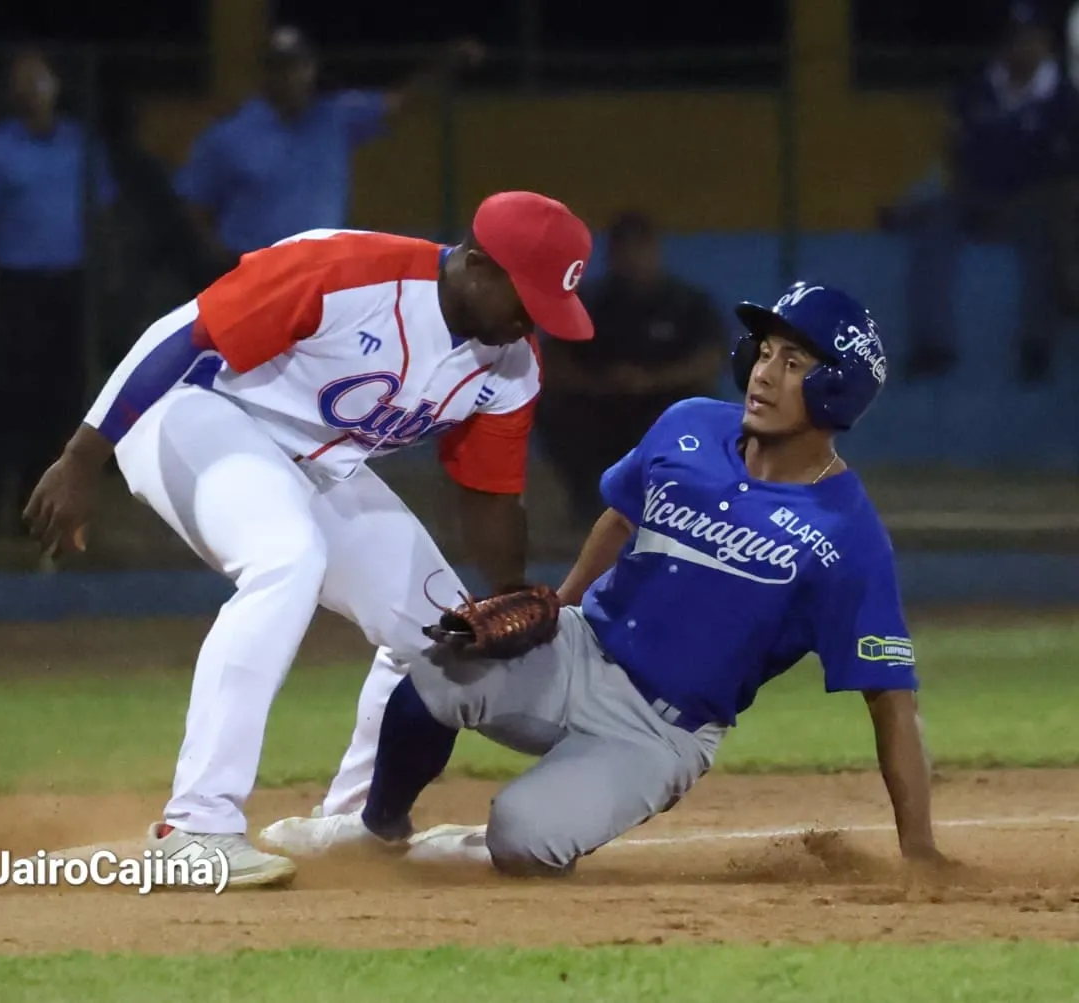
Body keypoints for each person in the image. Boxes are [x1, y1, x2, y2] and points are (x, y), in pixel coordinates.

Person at [261, 282, 952, 879]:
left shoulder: (846, 534)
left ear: (837, 387)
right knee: (434, 671)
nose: (764, 374)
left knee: (524, 837)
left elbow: (891, 701)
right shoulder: (689, 426)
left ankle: (475, 848)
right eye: (765, 352)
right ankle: (376, 829)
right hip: (582, 648)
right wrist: (558, 609)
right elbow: (621, 517)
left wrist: (918, 849)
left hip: (659, 732)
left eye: (793, 362)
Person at [22, 190, 595, 888]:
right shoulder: (348, 272)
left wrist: (506, 596)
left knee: (443, 631)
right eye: (525, 298)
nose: (530, 321)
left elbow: (491, 493)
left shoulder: (511, 364)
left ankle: (355, 823)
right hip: (196, 410)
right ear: (477, 265)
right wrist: (83, 457)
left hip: (317, 464)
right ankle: (195, 826)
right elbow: (183, 334)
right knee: (286, 558)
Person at [0, 48, 117, 536]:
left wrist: (104, 278)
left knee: (60, 400)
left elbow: (101, 214)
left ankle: (36, 512)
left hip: (67, 286)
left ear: (57, 85)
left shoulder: (81, 146)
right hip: (15, 288)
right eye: (22, 80)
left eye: (40, 78)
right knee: (5, 401)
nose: (32, 89)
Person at [176, 26, 483, 273]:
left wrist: (447, 64)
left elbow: (401, 102)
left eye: (297, 66)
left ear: (311, 69)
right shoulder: (231, 133)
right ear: (265, 73)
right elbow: (192, 203)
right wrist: (216, 258)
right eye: (279, 68)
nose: (289, 77)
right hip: (254, 269)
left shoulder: (334, 118)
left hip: (323, 269)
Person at [886, 1, 1079, 382]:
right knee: (934, 226)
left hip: (1035, 200)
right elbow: (952, 150)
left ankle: (1035, 347)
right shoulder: (975, 91)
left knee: (1045, 231)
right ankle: (932, 346)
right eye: (1014, 39)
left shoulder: (1064, 99)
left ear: (1046, 44)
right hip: (976, 195)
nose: (1022, 48)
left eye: (1031, 39)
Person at [536, 211, 728, 526]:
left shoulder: (687, 303)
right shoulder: (590, 303)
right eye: (623, 250)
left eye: (640, 248)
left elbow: (710, 360)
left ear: (655, 251)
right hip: (600, 405)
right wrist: (602, 384)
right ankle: (588, 503)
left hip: (662, 406)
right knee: (553, 408)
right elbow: (553, 360)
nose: (632, 259)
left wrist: (650, 381)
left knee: (700, 411)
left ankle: (678, 505)